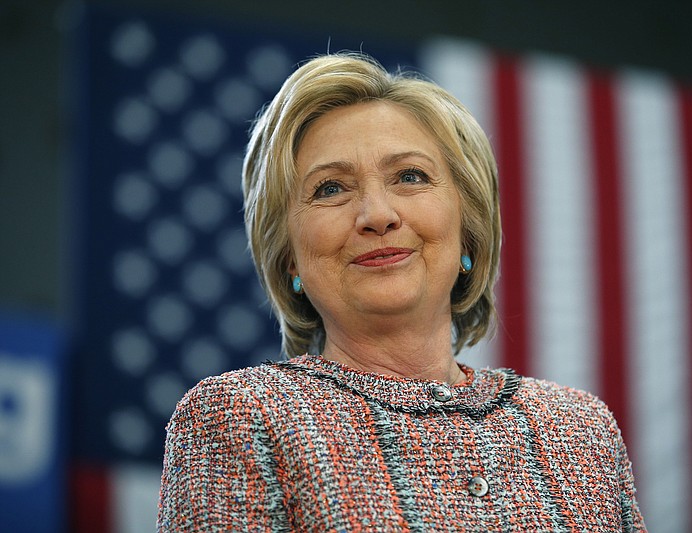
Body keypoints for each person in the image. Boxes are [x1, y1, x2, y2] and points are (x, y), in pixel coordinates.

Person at [157, 52, 646, 532]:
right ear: (289, 259)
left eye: (410, 176)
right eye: (330, 188)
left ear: (467, 229)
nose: (377, 214)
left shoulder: (581, 429)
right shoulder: (239, 415)